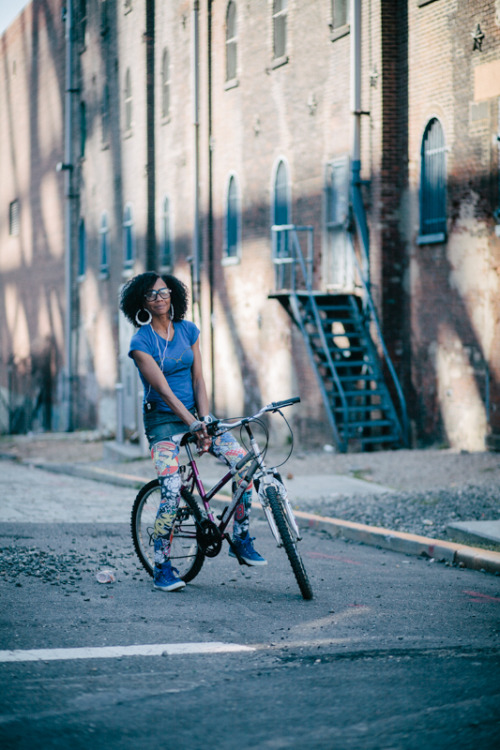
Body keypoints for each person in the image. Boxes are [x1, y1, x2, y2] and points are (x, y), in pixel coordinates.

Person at [120, 271, 266, 592]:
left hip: (197, 416)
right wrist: (192, 424)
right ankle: (162, 565)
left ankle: (240, 537)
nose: (160, 298)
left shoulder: (188, 331)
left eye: (164, 291)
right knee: (171, 489)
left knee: (243, 466)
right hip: (162, 422)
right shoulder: (140, 342)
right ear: (141, 303)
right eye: (151, 295)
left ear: (173, 294)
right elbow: (163, 392)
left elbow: (199, 380)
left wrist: (204, 419)